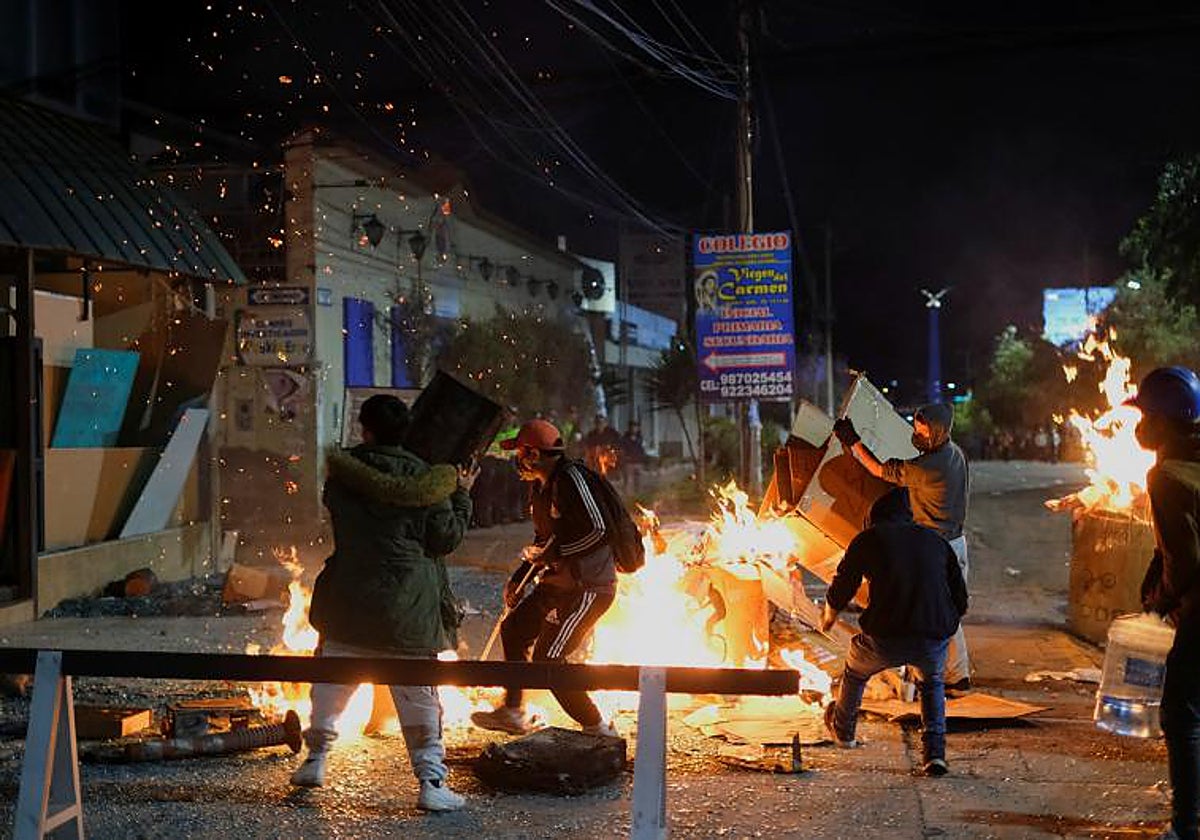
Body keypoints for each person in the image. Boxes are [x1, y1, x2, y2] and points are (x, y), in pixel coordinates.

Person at [290, 394, 477, 812]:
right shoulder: (431, 481)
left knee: (331, 686)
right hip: (408, 611)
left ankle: (315, 761)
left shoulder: (342, 479)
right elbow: (444, 539)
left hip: (349, 603)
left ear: (364, 429)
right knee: (418, 698)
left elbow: (336, 508)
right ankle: (431, 784)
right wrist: (462, 496)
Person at [471, 419, 621, 738]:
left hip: (588, 589)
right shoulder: (540, 488)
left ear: (533, 454)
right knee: (514, 628)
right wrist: (518, 579)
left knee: (549, 659)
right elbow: (543, 541)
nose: (517, 462)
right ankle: (513, 711)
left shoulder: (572, 478)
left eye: (520, 453)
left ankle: (597, 726)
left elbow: (599, 530)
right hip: (555, 585)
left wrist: (553, 556)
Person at [820, 488, 968, 777]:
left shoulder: (869, 539)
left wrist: (829, 615)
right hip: (932, 635)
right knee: (932, 683)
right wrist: (942, 625)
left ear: (875, 517)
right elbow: (960, 597)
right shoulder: (936, 541)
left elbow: (843, 582)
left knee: (855, 669)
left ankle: (844, 731)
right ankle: (934, 754)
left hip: (884, 637)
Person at [833, 402, 972, 689]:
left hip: (936, 550)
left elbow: (879, 470)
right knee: (946, 613)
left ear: (936, 431)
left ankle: (930, 677)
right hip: (955, 544)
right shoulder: (954, 453)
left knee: (924, 613)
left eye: (921, 430)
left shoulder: (929, 467)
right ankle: (958, 677)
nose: (915, 433)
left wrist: (852, 440)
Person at [1129, 366, 1200, 840]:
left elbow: (1185, 559)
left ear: (1167, 419)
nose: (1140, 425)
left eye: (1146, 415)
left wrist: (1157, 603)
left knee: (1182, 711)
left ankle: (1186, 826)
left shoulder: (1165, 475)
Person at [620, 420, 647, 494]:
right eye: (632, 427)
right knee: (628, 483)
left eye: (635, 427)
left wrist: (643, 459)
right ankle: (628, 499)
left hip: (639, 463)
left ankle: (639, 499)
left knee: (640, 483)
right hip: (628, 464)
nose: (634, 429)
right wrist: (625, 459)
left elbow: (643, 450)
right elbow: (622, 451)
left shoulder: (640, 439)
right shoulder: (624, 439)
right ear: (629, 428)